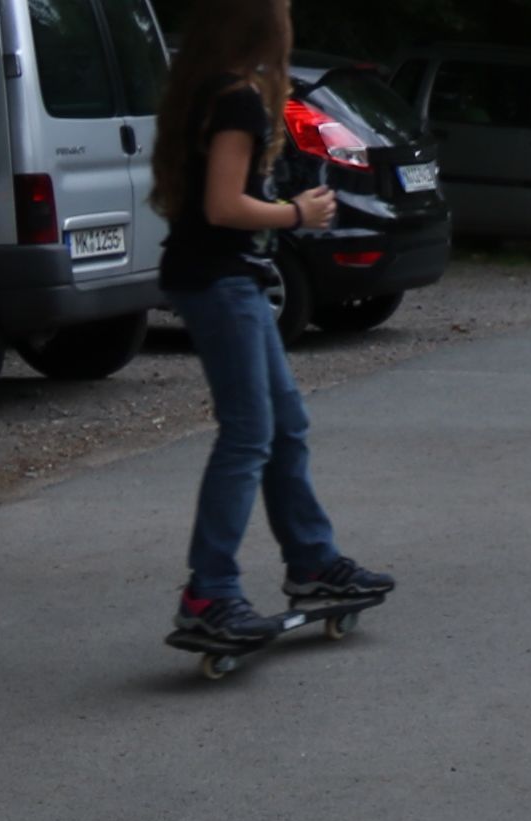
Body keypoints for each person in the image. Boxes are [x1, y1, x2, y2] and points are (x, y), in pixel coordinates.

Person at [147, 0, 390, 654]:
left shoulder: (207, 87)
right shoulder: (235, 101)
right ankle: (210, 594)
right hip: (220, 281)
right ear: (259, 23)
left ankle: (312, 562)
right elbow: (223, 205)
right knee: (250, 432)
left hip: (229, 278)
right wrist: (297, 212)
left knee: (284, 424)